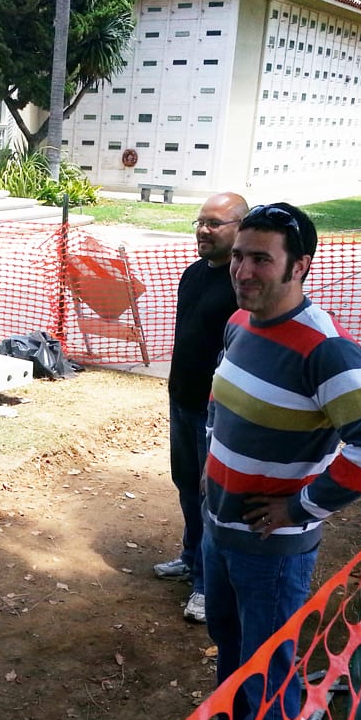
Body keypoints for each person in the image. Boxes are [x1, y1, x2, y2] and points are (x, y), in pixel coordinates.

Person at [183, 202, 361, 720]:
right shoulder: (242, 323)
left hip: (271, 547)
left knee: (267, 668)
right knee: (230, 643)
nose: (243, 269)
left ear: (299, 265)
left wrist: (303, 503)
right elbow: (225, 413)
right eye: (240, 255)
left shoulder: (326, 351)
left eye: (260, 258)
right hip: (221, 530)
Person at [154, 192, 248, 625]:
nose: (203, 230)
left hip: (217, 412)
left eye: (215, 223)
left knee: (213, 497)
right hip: (182, 399)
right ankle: (191, 558)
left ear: (240, 229)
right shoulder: (193, 274)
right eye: (200, 222)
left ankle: (208, 587)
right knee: (187, 485)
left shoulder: (241, 285)